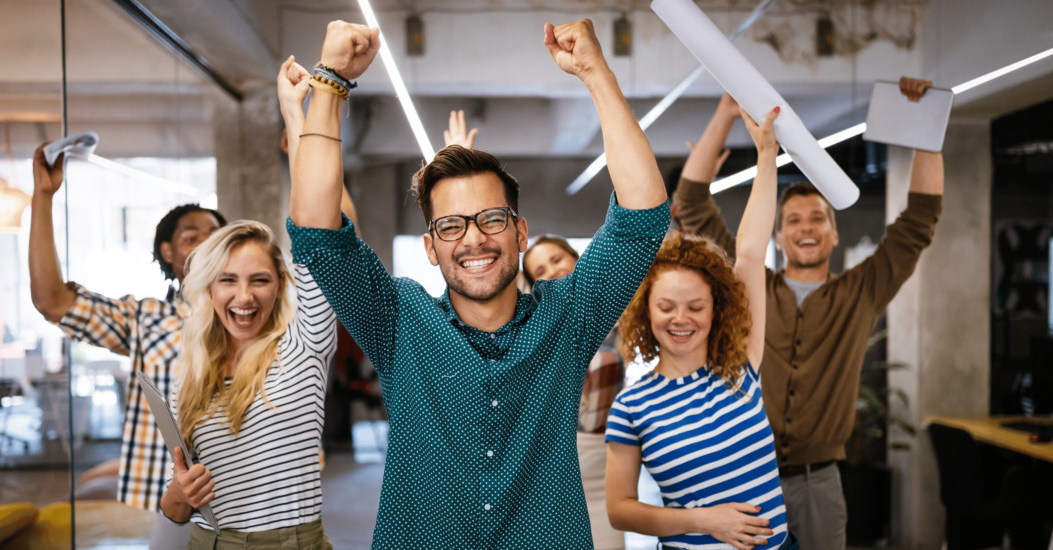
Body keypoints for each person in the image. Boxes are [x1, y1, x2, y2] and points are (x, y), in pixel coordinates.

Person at [278, 16, 669, 548]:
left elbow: (642, 218)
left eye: (491, 219)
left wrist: (595, 73)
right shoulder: (397, 321)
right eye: (451, 225)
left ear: (520, 231)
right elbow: (317, 235)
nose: (474, 239)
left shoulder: (569, 317)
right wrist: (329, 84)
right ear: (432, 247)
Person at [674, 79, 944, 549]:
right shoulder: (747, 288)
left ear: (834, 234)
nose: (805, 228)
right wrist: (725, 112)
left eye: (817, 217)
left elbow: (918, 221)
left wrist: (925, 124)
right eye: (793, 220)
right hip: (741, 482)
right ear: (778, 236)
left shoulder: (861, 291)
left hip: (818, 484)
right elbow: (692, 204)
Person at [605, 106, 790, 550]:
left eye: (696, 306)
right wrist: (707, 521)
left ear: (716, 310)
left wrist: (767, 156)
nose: (681, 319)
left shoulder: (742, 368)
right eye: (666, 306)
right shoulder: (631, 406)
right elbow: (620, 509)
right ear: (646, 313)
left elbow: (748, 252)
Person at [29, 143, 226, 546]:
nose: (207, 243)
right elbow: (52, 301)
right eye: (192, 237)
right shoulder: (146, 317)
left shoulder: (257, 313)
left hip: (247, 493)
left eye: (217, 236)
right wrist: (43, 197)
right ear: (167, 253)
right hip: (166, 498)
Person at [158, 220, 337, 548]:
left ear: (281, 284)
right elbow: (176, 510)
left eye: (260, 280)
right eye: (228, 280)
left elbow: (319, 229)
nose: (244, 297)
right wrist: (181, 492)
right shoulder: (189, 375)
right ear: (210, 286)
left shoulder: (304, 346)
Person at [523, 235, 628, 550]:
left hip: (607, 465)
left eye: (556, 259)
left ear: (576, 258)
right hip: (552, 470)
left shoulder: (613, 309)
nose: (552, 271)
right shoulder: (535, 330)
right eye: (540, 270)